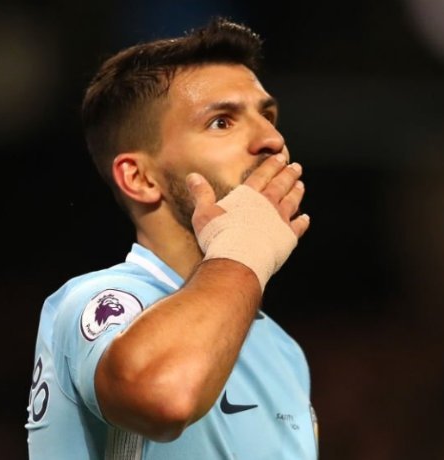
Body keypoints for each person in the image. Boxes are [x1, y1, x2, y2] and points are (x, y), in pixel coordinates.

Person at [25, 16, 318, 459]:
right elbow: (166, 396)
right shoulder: (97, 302)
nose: (272, 140)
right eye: (222, 122)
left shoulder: (284, 351)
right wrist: (242, 252)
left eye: (268, 116)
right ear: (140, 178)